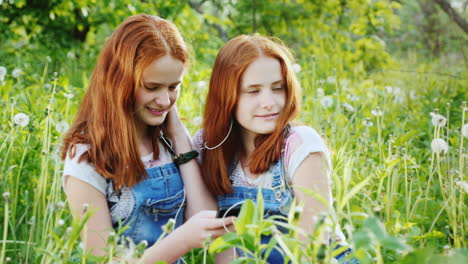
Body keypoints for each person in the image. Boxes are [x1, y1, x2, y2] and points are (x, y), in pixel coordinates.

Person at [61, 14, 233, 263]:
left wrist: (179, 139)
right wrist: (181, 240)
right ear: (119, 82)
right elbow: (100, 259)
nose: (165, 101)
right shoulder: (88, 156)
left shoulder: (168, 141)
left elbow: (206, 219)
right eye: (152, 87)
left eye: (173, 87)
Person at [193, 35, 356, 263]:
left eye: (278, 88)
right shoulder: (207, 146)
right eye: (253, 91)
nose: (269, 102)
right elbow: (211, 235)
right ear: (225, 96)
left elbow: (313, 244)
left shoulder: (300, 145)